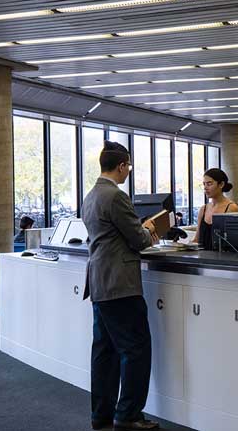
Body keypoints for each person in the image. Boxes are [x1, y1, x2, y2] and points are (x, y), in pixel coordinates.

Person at [81, 141, 160, 431]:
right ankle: (128, 415)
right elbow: (138, 241)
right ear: (122, 166)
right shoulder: (116, 196)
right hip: (120, 284)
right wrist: (150, 229)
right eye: (128, 166)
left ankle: (100, 415)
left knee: (104, 352)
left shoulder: (90, 195)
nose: (128, 171)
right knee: (135, 349)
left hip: (100, 283)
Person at [193, 168, 238, 250]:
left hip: (221, 259)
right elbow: (196, 240)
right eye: (204, 184)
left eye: (209, 184)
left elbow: (234, 241)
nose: (205, 187)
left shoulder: (231, 208)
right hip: (202, 258)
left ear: (221, 184)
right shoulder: (203, 209)